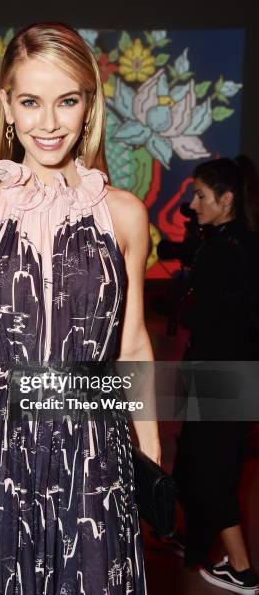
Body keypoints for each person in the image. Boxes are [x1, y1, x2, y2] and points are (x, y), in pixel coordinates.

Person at [0, 22, 160, 594]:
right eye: (30, 101)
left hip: (93, 449)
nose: (48, 123)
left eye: (67, 100)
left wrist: (149, 459)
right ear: (6, 105)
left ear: (89, 106)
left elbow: (132, 345)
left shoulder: (124, 214)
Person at [171, 156, 259, 594]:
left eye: (201, 196)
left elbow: (221, 320)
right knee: (192, 462)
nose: (193, 203)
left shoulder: (228, 250)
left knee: (212, 472)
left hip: (224, 375)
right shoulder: (233, 242)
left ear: (226, 199)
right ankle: (195, 546)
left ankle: (241, 569)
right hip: (226, 372)